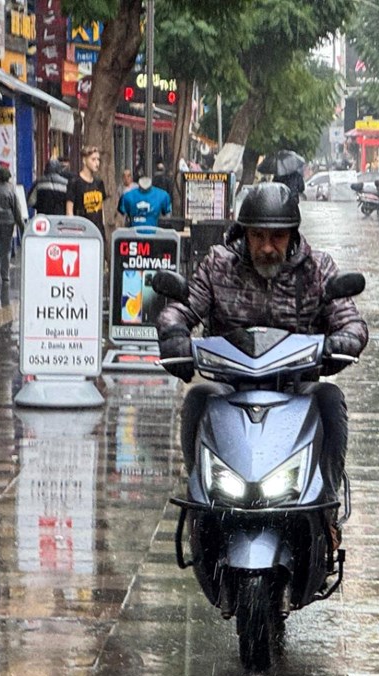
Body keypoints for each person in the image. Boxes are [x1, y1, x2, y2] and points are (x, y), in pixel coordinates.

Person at [156, 182, 367, 549]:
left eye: (278, 237)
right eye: (258, 236)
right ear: (244, 234)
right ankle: (200, 502)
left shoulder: (317, 269)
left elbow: (350, 320)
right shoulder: (218, 265)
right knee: (196, 399)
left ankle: (328, 508)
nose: (268, 247)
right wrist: (174, 333)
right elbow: (183, 306)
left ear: (293, 235)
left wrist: (340, 341)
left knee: (331, 399)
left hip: (295, 388)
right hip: (230, 388)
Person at [66, 146, 106, 235]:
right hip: (81, 230)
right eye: (93, 159)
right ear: (84, 160)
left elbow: (101, 207)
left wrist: (103, 226)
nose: (97, 163)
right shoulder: (75, 182)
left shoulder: (99, 183)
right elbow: (69, 211)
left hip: (97, 230)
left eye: (98, 159)